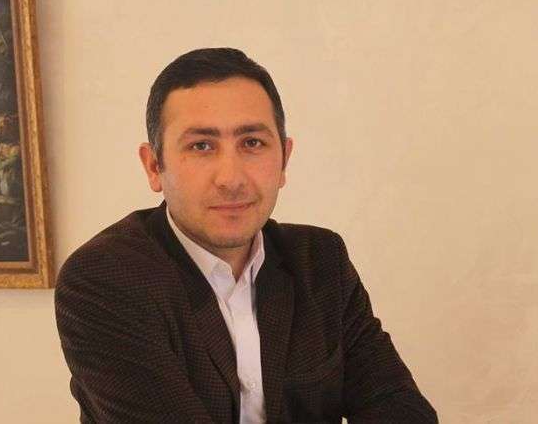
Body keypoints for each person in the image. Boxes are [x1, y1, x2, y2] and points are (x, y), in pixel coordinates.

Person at [55, 48, 437, 423]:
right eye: (201, 146)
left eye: (252, 143)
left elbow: (402, 410)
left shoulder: (321, 261)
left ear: (284, 159)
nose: (231, 178)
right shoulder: (104, 279)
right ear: (154, 166)